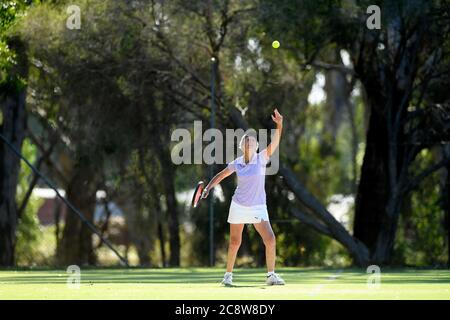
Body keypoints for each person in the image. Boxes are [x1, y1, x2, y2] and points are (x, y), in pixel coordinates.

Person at [202, 109, 285, 286]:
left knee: (270, 239)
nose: (250, 144)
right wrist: (208, 187)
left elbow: (275, 142)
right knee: (234, 242)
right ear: (242, 146)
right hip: (239, 205)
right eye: (247, 142)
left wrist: (279, 124)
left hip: (258, 207)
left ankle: (271, 275)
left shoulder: (262, 157)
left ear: (256, 146)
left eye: (253, 142)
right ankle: (227, 277)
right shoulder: (237, 163)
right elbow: (221, 175)